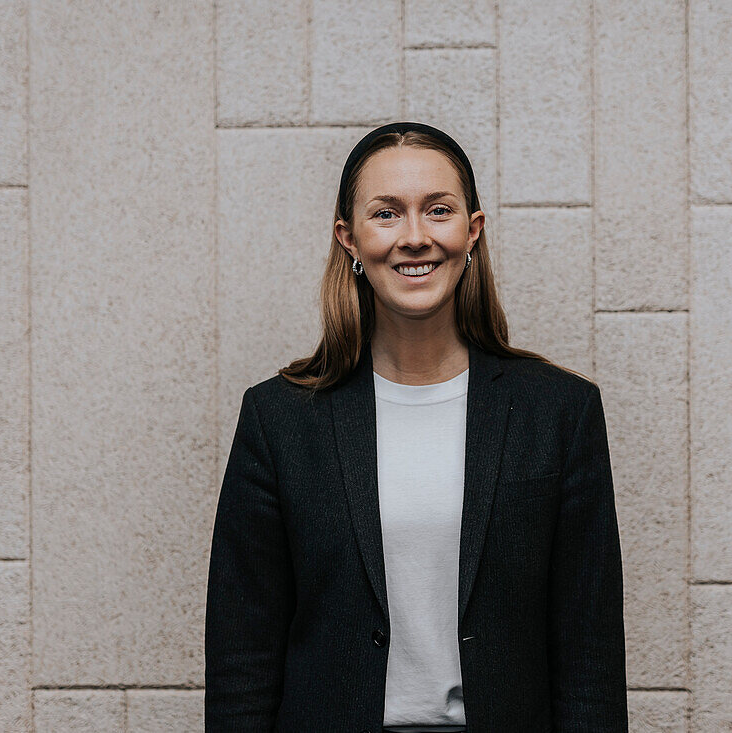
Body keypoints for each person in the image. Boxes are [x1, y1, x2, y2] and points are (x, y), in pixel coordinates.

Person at [205, 121, 627, 732]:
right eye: (386, 214)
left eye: (438, 210)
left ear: (472, 231)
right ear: (347, 239)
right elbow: (243, 660)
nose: (415, 237)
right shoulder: (280, 420)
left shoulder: (559, 414)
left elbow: (589, 660)